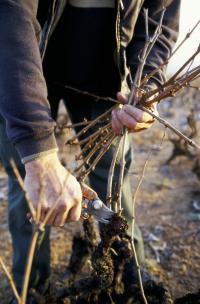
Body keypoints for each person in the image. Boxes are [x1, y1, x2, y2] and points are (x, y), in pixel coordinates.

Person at [0, 0, 180, 302]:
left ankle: (131, 267)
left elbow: (159, 19)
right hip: (24, 75)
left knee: (113, 175)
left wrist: (147, 85)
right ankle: (30, 284)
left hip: (103, 80)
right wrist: (38, 152)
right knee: (27, 181)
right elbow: (10, 15)